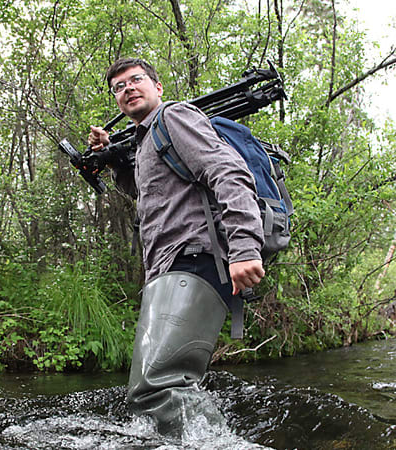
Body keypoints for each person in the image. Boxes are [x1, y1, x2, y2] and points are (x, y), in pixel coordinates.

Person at [88, 58, 265, 436]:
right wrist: (113, 157)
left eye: (136, 80)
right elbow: (146, 191)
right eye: (119, 87)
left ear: (157, 87)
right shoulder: (145, 140)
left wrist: (244, 246)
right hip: (167, 267)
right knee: (153, 389)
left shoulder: (175, 117)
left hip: (194, 257)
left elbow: (228, 171)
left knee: (158, 387)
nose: (128, 89)